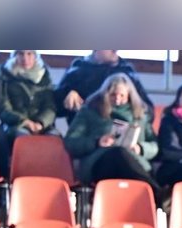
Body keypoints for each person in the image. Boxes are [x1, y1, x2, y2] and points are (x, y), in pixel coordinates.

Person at [63, 73, 165, 203]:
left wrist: (140, 148)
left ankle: (152, 197)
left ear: (129, 96)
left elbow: (155, 145)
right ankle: (157, 194)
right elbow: (71, 142)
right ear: (105, 94)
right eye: (113, 95)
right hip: (99, 163)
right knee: (117, 152)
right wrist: (97, 142)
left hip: (134, 163)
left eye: (122, 95)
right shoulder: (89, 111)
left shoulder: (140, 115)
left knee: (123, 155)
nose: (117, 99)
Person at [54, 50, 154, 125]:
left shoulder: (127, 73)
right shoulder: (77, 70)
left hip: (121, 134)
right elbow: (55, 108)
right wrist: (67, 94)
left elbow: (148, 112)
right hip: (86, 133)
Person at [0, 50, 57, 140]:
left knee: (55, 139)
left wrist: (40, 123)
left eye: (29, 54)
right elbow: (3, 109)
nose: (25, 58)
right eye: (21, 54)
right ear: (15, 56)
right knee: (24, 138)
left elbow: (50, 107)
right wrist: (24, 121)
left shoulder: (45, 77)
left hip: (42, 125)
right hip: (16, 124)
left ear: (35, 56)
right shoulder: (5, 76)